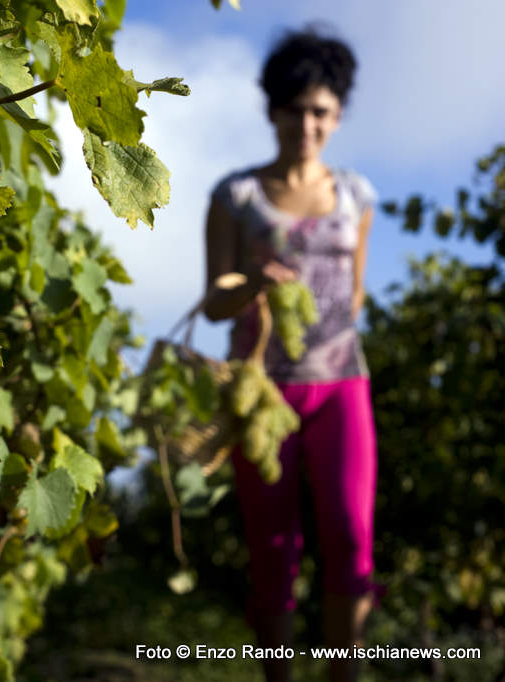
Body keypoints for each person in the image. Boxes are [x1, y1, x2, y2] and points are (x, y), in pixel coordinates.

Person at [202, 27, 379, 682]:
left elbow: (355, 290)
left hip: (341, 387)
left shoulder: (357, 197)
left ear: (336, 116)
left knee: (351, 537)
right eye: (295, 109)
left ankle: (345, 673)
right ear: (273, 110)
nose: (307, 124)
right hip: (262, 392)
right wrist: (253, 283)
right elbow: (215, 300)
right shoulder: (236, 198)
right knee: (273, 547)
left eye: (321, 112)